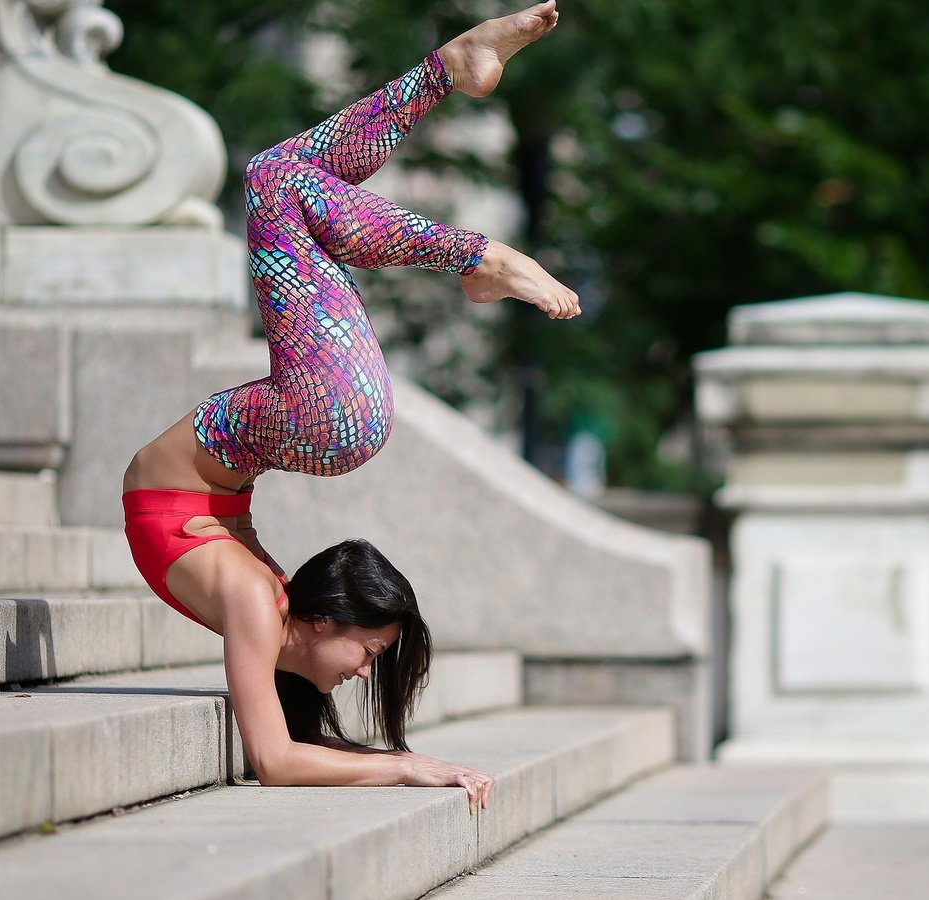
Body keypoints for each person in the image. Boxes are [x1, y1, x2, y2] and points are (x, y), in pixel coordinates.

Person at [122, 2, 577, 814]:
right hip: (235, 456)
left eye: (365, 653)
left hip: (229, 450)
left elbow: (274, 758)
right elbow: (283, 756)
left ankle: (479, 251)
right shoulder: (265, 606)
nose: (362, 671)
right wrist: (408, 765)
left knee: (277, 188)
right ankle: (452, 73)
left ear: (321, 616)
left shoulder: (259, 609)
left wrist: (405, 766)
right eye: (371, 654)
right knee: (280, 177)